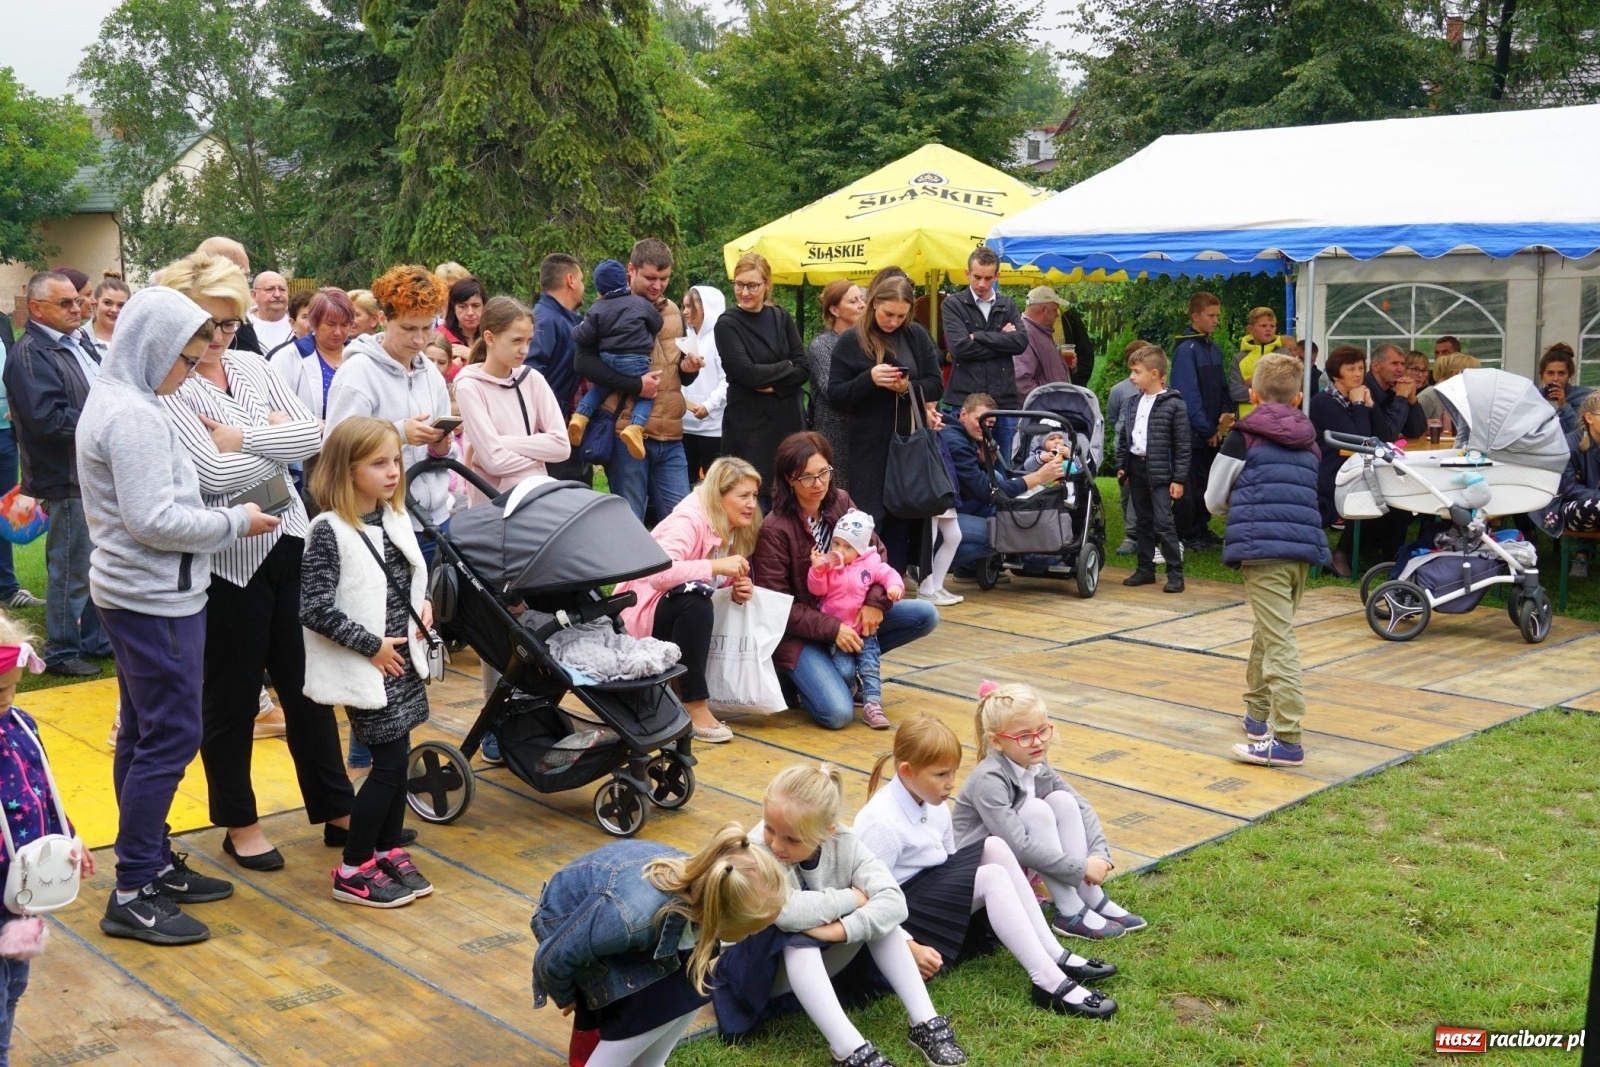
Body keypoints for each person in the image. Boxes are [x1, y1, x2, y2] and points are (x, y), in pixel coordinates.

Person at [79, 287, 281, 945]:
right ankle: (134, 886)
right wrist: (236, 522)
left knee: (144, 733)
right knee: (169, 736)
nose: (189, 372)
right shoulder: (134, 414)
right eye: (184, 359)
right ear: (151, 347)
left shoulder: (128, 399)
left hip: (138, 592)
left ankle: (149, 859)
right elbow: (154, 519)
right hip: (155, 597)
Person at [158, 251, 354, 868]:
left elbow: (315, 435)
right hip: (226, 559)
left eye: (227, 323)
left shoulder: (249, 365)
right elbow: (209, 474)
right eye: (206, 325)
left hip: (288, 539)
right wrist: (274, 447)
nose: (218, 338)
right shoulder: (168, 381)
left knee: (310, 685)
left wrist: (242, 437)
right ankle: (238, 821)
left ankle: (336, 806)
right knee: (234, 696)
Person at [853, 715, 1117, 1018]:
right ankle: (1048, 981)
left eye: (954, 772)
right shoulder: (881, 822)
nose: (951, 784)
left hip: (931, 901)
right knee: (991, 876)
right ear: (907, 772)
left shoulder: (931, 801)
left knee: (994, 846)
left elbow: (951, 863)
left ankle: (1052, 953)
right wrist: (908, 945)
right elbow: (867, 899)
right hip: (902, 918)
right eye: (941, 775)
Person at [713, 763, 969, 1067]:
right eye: (770, 828)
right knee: (796, 937)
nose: (776, 844)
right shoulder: (754, 849)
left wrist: (839, 930)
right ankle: (847, 1049)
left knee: (881, 923)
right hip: (752, 973)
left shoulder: (845, 842)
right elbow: (785, 912)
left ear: (827, 832)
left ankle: (925, 1022)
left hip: (819, 962)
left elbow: (894, 903)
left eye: (792, 839)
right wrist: (853, 898)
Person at [300, 417, 436, 908]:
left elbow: (407, 576)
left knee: (396, 761)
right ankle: (353, 867)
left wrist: (423, 606)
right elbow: (313, 607)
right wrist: (370, 645)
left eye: (396, 460)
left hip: (398, 662)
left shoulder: (390, 517)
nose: (393, 471)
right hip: (370, 665)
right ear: (346, 469)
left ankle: (387, 847)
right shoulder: (329, 531)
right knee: (389, 762)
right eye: (379, 463)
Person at [532, 824, 788, 1067]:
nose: (754, 935)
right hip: (565, 920)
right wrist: (566, 994)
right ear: (717, 915)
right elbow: (555, 955)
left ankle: (651, 1062)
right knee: (660, 1001)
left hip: (606, 914)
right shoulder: (631, 919)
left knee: (692, 985)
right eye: (753, 930)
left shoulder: (712, 885)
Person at [750, 432, 938, 730]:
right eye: (807, 477)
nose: (818, 484)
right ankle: (805, 678)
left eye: (824, 472)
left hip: (848, 613)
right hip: (803, 634)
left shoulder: (841, 502)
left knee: (925, 614)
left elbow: (876, 552)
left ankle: (845, 667)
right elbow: (778, 606)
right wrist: (831, 628)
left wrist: (875, 602)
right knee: (837, 714)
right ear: (788, 479)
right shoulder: (775, 529)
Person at [1205, 354, 1331, 768]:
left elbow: (1213, 499)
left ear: (1253, 395)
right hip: (1302, 552)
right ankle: (1257, 716)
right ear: (1297, 398)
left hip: (1262, 551)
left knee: (1278, 642)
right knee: (1269, 630)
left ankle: (1289, 740)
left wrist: (1237, 511)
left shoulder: (1243, 437)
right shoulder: (1310, 439)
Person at [952, 683, 1145, 945]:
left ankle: (1090, 897)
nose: (1038, 742)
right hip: (983, 870)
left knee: (1062, 800)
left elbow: (1080, 804)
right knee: (1036, 809)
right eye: (1024, 736)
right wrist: (1080, 868)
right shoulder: (989, 778)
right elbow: (1017, 845)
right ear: (996, 741)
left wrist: (1099, 854)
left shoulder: (1035, 761)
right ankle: (1069, 910)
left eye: (1043, 731)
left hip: (1021, 862)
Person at [3, 271, 112, 676]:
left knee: (96, 560)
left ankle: (95, 640)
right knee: (71, 566)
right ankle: (62, 650)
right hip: (65, 475)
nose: (77, 308)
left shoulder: (77, 341)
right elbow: (46, 419)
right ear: (36, 308)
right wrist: (106, 424)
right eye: (65, 303)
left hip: (91, 470)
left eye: (78, 301)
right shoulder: (31, 353)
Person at [0, 619, 96, 1058]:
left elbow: (44, 790)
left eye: (12, 688)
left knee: (15, 986)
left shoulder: (20, 723)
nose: (6, 700)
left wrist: (70, 839)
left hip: (22, 893)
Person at [616, 457, 760, 743]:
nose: (752, 504)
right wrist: (718, 568)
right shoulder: (689, 519)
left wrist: (738, 585)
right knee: (694, 599)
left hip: (668, 615)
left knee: (697, 597)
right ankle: (694, 705)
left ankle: (678, 691)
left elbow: (714, 576)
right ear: (718, 496)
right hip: (636, 620)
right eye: (743, 496)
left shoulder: (733, 526)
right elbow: (660, 574)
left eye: (755, 495)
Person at [325, 265, 456, 551]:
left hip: (436, 518)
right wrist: (399, 433)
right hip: (380, 524)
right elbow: (335, 448)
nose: (420, 340)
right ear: (382, 319)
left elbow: (445, 452)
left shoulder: (430, 373)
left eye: (427, 328)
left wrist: (442, 446)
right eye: (408, 328)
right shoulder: (357, 373)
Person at [573, 240, 697, 524]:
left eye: (664, 279)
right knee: (630, 526)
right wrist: (635, 385)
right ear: (631, 270)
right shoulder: (604, 307)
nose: (657, 286)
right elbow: (582, 363)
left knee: (683, 524)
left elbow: (679, 371)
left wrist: (690, 368)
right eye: (650, 278)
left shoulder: (674, 312)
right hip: (625, 433)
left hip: (671, 435)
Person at [827, 275, 944, 572]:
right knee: (870, 521)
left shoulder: (915, 336)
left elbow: (935, 384)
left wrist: (907, 388)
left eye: (901, 315)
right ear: (874, 303)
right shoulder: (852, 339)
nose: (893, 321)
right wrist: (870, 379)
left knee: (904, 517)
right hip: (869, 448)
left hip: (908, 445)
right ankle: (860, 584)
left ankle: (895, 584)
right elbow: (836, 394)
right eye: (887, 314)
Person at [455, 296, 569, 503]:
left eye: (529, 341)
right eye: (517, 341)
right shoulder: (469, 386)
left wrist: (504, 443)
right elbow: (494, 462)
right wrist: (540, 454)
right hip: (493, 505)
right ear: (490, 338)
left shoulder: (532, 378)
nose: (525, 349)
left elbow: (562, 447)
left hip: (536, 497)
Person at [939, 394, 1065, 577]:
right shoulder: (957, 443)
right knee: (1001, 534)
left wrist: (983, 463)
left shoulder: (959, 433)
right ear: (963, 415)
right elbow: (989, 493)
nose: (986, 427)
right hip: (937, 518)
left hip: (950, 506)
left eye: (990, 423)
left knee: (998, 486)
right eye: (980, 420)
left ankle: (971, 567)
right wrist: (1038, 477)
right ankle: (932, 566)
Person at [716, 253, 809, 500]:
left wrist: (775, 386)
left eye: (752, 285)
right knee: (751, 500)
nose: (744, 292)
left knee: (789, 496)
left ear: (767, 285)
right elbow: (748, 374)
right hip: (749, 429)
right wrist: (785, 366)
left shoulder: (781, 317)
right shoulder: (727, 324)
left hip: (786, 422)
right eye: (739, 284)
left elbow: (803, 368)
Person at [806, 510, 902, 730]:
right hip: (838, 634)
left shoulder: (870, 563)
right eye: (837, 544)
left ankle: (873, 705)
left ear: (859, 550)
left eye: (847, 547)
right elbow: (816, 589)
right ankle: (850, 688)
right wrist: (817, 570)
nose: (840, 551)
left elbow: (888, 574)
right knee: (844, 669)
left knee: (870, 666)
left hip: (865, 631)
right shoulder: (829, 569)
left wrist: (894, 587)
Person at [568, 259, 665, 462]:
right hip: (635, 358)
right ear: (627, 279)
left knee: (600, 388)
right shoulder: (640, 303)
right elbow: (657, 323)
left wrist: (576, 329)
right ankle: (636, 427)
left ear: (599, 288)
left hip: (608, 358)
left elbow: (584, 336)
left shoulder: (596, 308)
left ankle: (579, 417)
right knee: (648, 394)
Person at [1115, 345, 1190, 594]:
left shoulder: (1174, 405)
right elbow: (1126, 438)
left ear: (1155, 373)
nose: (1132, 377)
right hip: (1136, 468)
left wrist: (1178, 478)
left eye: (1136, 372)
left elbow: (1182, 446)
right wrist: (1121, 466)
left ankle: (1175, 572)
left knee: (1163, 522)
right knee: (1143, 521)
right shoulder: (1132, 403)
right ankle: (1145, 568)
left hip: (1160, 472)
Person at [941, 247, 1027, 457]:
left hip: (1003, 402)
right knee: (963, 465)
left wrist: (978, 336)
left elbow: (1021, 343)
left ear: (997, 276)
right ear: (967, 273)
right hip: (964, 400)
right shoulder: (953, 304)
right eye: (977, 277)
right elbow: (960, 349)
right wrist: (1002, 339)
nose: (981, 284)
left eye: (988, 278)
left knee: (1001, 466)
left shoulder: (1007, 304)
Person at [1169, 292, 1231, 551]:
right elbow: (1187, 397)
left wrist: (1225, 418)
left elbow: (1223, 387)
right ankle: (1187, 532)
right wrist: (1207, 429)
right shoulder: (1187, 349)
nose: (1216, 320)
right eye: (1211, 316)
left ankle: (1201, 528)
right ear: (1195, 317)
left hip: (1212, 432)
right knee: (1191, 485)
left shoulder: (1212, 348)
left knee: (1206, 483)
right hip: (1193, 434)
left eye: (1217, 315)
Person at [1308, 346, 1375, 578]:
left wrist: (1369, 406)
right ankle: (1340, 554)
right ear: (1336, 374)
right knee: (1369, 494)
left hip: (1351, 470)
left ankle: (1350, 552)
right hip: (1327, 473)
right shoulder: (1324, 402)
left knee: (1383, 497)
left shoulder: (1356, 396)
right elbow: (1360, 441)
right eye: (1351, 369)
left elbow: (1382, 435)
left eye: (1360, 368)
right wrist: (1358, 406)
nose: (1358, 374)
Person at [1364, 342, 1427, 563]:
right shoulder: (1367, 390)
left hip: (1378, 463)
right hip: (1351, 465)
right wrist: (1401, 397)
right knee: (1400, 499)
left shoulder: (1391, 389)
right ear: (1376, 366)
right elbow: (1387, 434)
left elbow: (1416, 430)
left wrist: (1411, 399)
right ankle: (1388, 556)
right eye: (1395, 363)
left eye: (1403, 364)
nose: (1401, 369)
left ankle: (1390, 553)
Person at [804, 281, 866, 489]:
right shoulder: (821, 346)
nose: (862, 305)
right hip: (834, 434)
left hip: (865, 432)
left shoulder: (869, 341)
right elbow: (834, 392)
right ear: (834, 309)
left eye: (861, 299)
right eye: (853, 300)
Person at [269, 289, 357, 422]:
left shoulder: (360, 356)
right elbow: (275, 410)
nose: (338, 332)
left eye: (344, 325)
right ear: (314, 323)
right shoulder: (288, 357)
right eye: (331, 324)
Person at [526, 253, 585, 418]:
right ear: (570, 280)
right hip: (543, 422)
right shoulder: (544, 320)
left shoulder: (561, 318)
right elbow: (530, 373)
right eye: (581, 280)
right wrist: (552, 414)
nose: (583, 286)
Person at [679, 285, 728, 484]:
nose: (685, 311)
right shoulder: (685, 335)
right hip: (684, 426)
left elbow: (728, 380)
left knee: (714, 486)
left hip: (713, 427)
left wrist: (709, 405)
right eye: (684, 306)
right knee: (686, 484)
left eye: (690, 306)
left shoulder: (721, 337)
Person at [1105, 340, 1147, 556]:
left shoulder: (1156, 389)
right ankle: (1132, 532)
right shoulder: (1119, 390)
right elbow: (1113, 417)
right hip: (1125, 449)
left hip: (1143, 453)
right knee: (1125, 495)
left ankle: (1134, 535)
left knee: (1138, 496)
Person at [1014, 286, 1075, 401]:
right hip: (1043, 416)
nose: (1057, 314)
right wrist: (1047, 407)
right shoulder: (1024, 334)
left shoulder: (1041, 331)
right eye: (1055, 309)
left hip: (1054, 412)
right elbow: (1021, 381)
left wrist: (1063, 362)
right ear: (1044, 310)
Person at [1227, 307, 1286, 417]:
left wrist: (1253, 383)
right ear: (1250, 329)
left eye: (1272, 326)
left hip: (1277, 420)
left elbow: (1286, 390)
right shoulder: (1239, 358)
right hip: (1247, 422)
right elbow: (1235, 392)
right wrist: (1268, 388)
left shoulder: (1284, 356)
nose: (1268, 329)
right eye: (1263, 326)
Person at [1537, 343, 1591, 437]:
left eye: (1561, 373)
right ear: (1542, 375)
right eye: (1550, 373)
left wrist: (1564, 405)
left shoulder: (1584, 397)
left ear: (1569, 375)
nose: (1555, 378)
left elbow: (1582, 432)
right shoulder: (1535, 397)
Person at [1417, 351, 1481, 427]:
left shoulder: (1458, 397)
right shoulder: (1430, 395)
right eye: (1473, 375)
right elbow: (1407, 429)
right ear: (1456, 374)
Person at [439, 277, 486, 363]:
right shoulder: (441, 336)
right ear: (453, 308)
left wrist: (471, 355)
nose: (470, 313)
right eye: (463, 306)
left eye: (475, 305)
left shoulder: (494, 335)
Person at [85, 277, 130, 361]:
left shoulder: (135, 339)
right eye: (107, 303)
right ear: (96, 303)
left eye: (121, 305)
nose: (114, 310)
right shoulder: (79, 339)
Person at [249, 271, 294, 354]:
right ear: (254, 295)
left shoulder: (301, 324)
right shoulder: (239, 327)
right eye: (270, 289)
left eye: (282, 289)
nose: (277, 294)